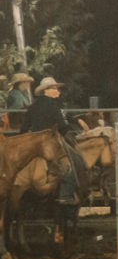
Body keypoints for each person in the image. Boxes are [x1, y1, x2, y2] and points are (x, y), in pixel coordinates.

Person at [23, 76, 77, 206]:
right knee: (72, 162)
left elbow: (24, 128)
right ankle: (65, 195)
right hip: (50, 142)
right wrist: (71, 134)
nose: (57, 91)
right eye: (54, 88)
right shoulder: (54, 105)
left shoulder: (32, 106)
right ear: (46, 90)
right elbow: (62, 126)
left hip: (33, 142)